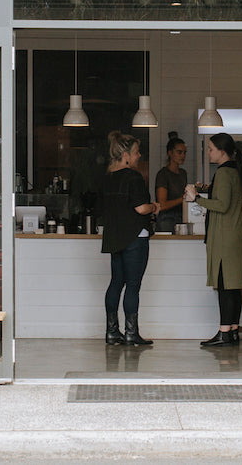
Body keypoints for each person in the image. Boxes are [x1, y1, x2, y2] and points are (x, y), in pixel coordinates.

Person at [100, 130, 158, 346]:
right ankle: (132, 333)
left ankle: (112, 332)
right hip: (135, 237)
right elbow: (141, 208)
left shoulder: (108, 178)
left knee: (116, 283)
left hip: (115, 237)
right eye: (136, 152)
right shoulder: (133, 177)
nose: (138, 156)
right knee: (133, 285)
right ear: (125, 154)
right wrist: (155, 207)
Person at [188, 131, 242, 347]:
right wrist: (206, 188)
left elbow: (221, 205)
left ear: (222, 151)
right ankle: (232, 331)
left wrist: (197, 199)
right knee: (233, 285)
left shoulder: (222, 173)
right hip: (235, 234)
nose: (209, 153)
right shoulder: (235, 171)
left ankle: (223, 332)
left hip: (223, 236)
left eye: (211, 149)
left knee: (224, 284)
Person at [154, 132, 189, 233]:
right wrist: (183, 198)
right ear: (170, 153)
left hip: (181, 217)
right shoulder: (163, 174)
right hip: (166, 219)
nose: (183, 156)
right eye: (179, 152)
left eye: (184, 153)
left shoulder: (183, 173)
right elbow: (162, 204)